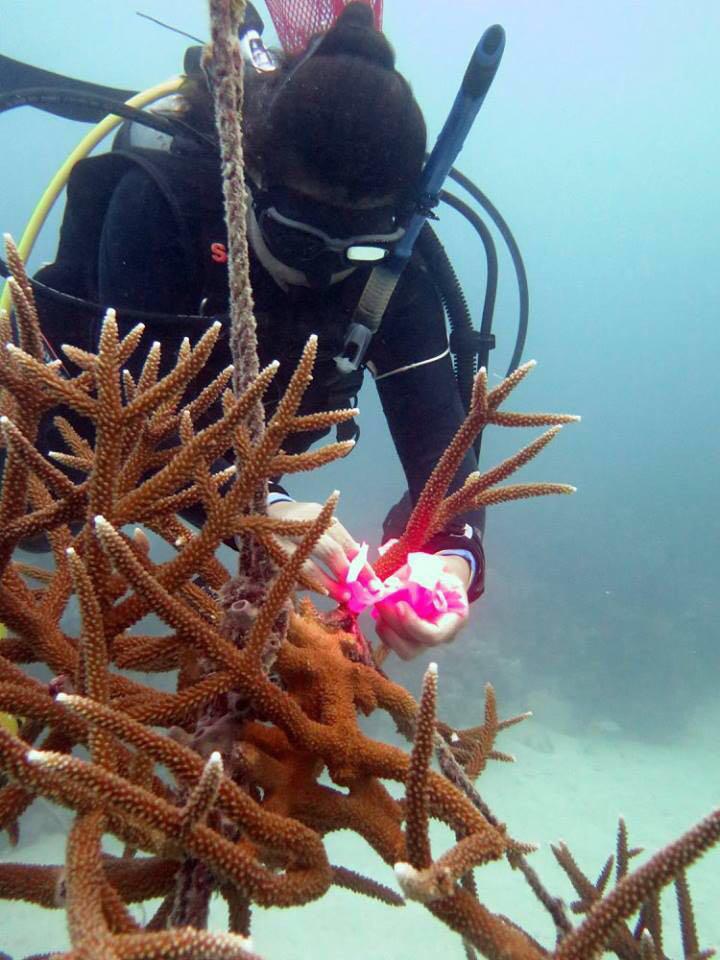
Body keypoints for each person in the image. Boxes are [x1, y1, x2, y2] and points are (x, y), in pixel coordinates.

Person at [33, 2, 485, 660]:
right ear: (249, 177)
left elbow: (441, 443)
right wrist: (256, 504)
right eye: (300, 240)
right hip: (74, 420)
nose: (328, 269)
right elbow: (134, 413)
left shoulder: (396, 269)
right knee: (29, 510)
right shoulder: (166, 203)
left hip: (245, 450)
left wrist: (451, 560)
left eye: (357, 250)